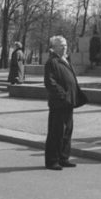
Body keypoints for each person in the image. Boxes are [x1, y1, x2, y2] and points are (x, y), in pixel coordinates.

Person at [43, 35, 80, 170]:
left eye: (65, 45)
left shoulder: (64, 60)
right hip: (59, 103)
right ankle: (52, 161)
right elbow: (50, 83)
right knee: (56, 132)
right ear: (54, 47)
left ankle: (63, 158)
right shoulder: (52, 62)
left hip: (68, 102)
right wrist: (63, 96)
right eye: (61, 45)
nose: (65, 47)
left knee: (67, 131)